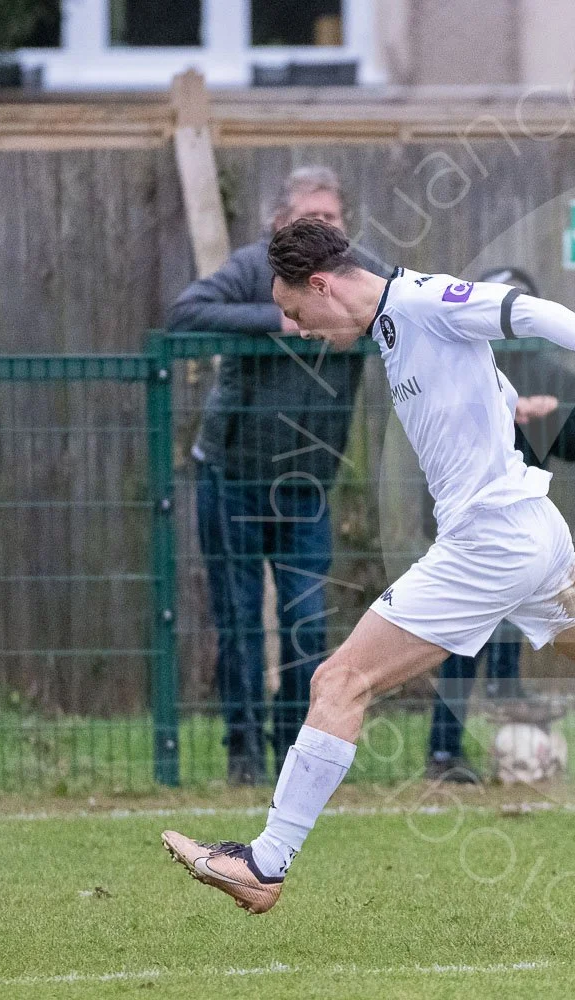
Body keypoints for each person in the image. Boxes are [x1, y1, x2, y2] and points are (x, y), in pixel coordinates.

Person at [162, 220, 575, 914]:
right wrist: (507, 400)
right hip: (528, 537)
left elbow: (532, 312)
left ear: (324, 285)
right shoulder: (393, 324)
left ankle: (265, 863)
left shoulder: (424, 302)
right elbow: (475, 376)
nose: (299, 329)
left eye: (299, 313)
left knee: (340, 680)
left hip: (492, 543)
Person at [168, 166, 372, 786]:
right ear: (280, 224)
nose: (323, 229)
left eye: (331, 218)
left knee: (307, 622)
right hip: (232, 476)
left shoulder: (362, 274)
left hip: (307, 485)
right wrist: (280, 319)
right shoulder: (254, 267)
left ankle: (294, 754)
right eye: (309, 218)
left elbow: (406, 312)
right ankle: (244, 756)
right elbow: (187, 313)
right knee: (237, 626)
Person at [425, 267, 575, 782]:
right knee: (461, 636)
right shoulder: (457, 368)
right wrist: (503, 410)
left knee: (530, 622)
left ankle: (511, 697)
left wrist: (551, 415)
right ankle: (443, 752)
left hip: (528, 527)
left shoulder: (553, 373)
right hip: (467, 521)